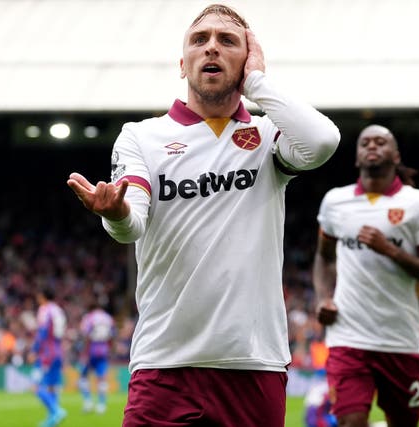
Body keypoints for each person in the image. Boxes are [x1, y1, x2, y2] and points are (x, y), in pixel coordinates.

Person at [67, 3, 341, 426]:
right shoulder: (142, 136)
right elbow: (131, 226)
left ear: (247, 59)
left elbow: (322, 141)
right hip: (164, 363)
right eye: (200, 40)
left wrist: (258, 83)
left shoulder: (268, 136)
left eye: (227, 41)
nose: (211, 48)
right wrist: (117, 213)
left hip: (253, 363)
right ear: (183, 64)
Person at [313, 124, 419, 427]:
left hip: (398, 340)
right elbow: (323, 257)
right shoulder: (336, 202)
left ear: (396, 155)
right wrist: (324, 297)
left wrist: (392, 251)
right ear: (357, 157)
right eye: (365, 143)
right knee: (351, 421)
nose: (372, 146)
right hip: (347, 337)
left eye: (381, 142)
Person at [29, 287, 68, 427]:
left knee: (35, 386)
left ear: (43, 297)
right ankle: (52, 419)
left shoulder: (45, 309)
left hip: (47, 353)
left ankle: (56, 411)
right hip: (58, 351)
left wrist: (34, 350)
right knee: (52, 386)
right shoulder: (59, 310)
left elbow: (43, 331)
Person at [78, 301, 115, 414]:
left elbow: (86, 335)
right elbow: (112, 336)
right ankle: (101, 404)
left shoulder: (89, 317)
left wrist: (84, 352)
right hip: (104, 350)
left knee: (83, 377)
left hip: (92, 350)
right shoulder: (109, 318)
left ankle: (88, 402)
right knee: (101, 378)